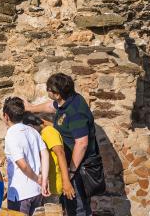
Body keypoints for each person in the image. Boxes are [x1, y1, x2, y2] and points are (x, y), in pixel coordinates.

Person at [24, 73, 97, 216]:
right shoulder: (67, 100)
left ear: (57, 94)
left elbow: (81, 143)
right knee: (69, 208)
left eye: (48, 89)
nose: (47, 91)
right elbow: (51, 106)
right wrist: (31, 108)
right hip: (70, 165)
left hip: (78, 166)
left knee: (77, 209)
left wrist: (69, 173)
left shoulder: (76, 111)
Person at [3, 97, 50, 215]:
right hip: (37, 192)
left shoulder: (11, 133)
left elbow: (22, 164)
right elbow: (45, 154)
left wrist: (37, 179)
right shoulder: (32, 130)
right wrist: (43, 179)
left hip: (21, 194)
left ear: (6, 116)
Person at [22, 112, 75, 205]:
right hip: (48, 184)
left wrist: (66, 181)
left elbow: (60, 153)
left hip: (54, 185)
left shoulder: (48, 132)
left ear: (30, 126)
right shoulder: (41, 134)